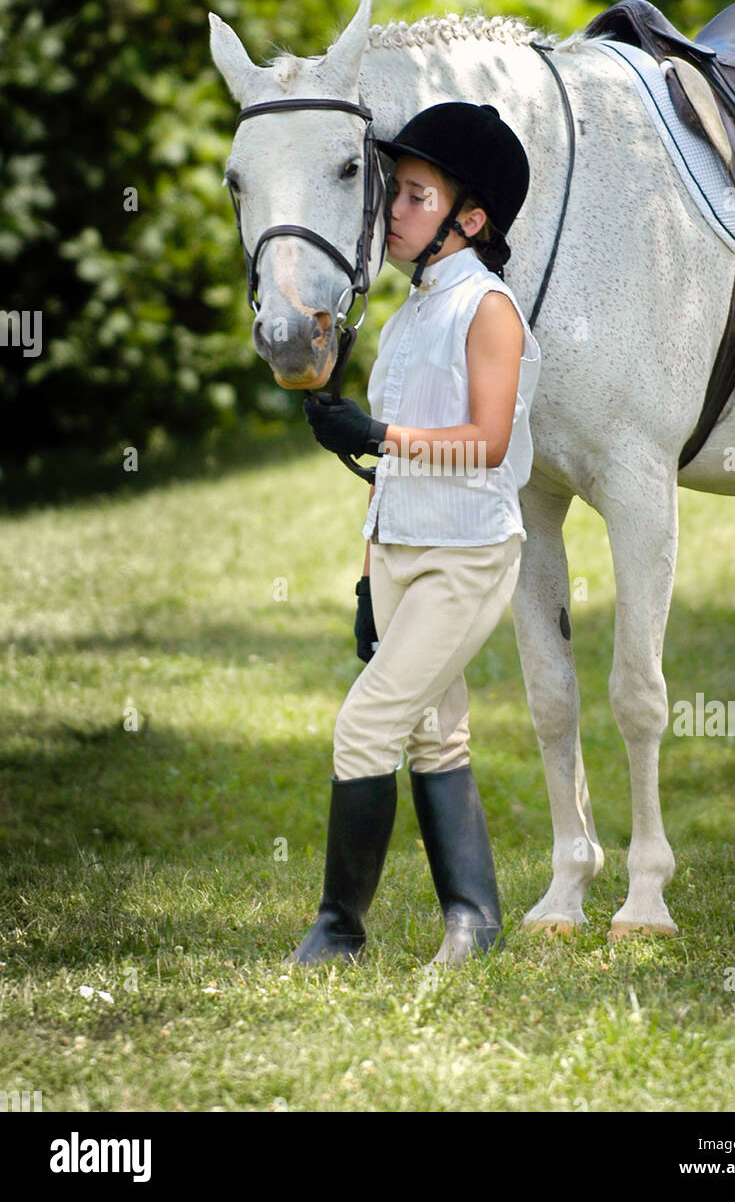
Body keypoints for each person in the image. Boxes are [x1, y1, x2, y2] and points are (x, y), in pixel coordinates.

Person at [290, 101, 541, 967]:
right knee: (438, 733)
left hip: (467, 554)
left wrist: (379, 435)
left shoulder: (490, 310)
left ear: (468, 219)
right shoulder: (406, 317)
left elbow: (490, 441)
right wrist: (369, 581)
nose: (393, 212)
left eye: (414, 196)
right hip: (399, 549)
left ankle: (339, 931)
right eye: (395, 193)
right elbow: (393, 471)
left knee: (366, 727)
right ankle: (473, 919)